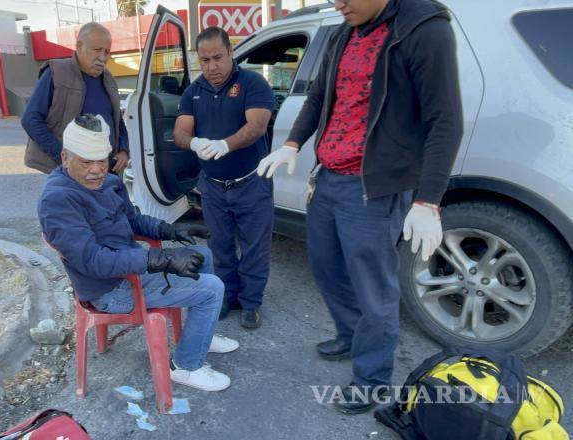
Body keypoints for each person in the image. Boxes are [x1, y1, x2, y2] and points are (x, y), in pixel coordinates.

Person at [257, 0, 463, 414]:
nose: (339, 3)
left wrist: (428, 200)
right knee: (326, 267)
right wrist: (293, 144)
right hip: (328, 177)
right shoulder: (342, 32)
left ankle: (372, 379)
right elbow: (318, 97)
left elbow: (445, 119)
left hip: (374, 188)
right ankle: (352, 334)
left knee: (374, 289)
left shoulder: (422, 28)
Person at [39, 114, 239, 391]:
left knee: (202, 255)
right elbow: (92, 262)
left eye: (102, 161)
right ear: (65, 157)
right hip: (110, 290)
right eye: (87, 162)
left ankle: (201, 334)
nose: (97, 170)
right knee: (212, 288)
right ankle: (185, 367)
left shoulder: (107, 182)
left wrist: (169, 230)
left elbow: (131, 219)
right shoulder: (58, 199)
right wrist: (159, 259)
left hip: (126, 271)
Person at [173, 27, 276, 329]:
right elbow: (181, 130)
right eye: (204, 60)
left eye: (217, 57)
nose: (211, 66)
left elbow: (257, 126)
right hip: (214, 187)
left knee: (255, 246)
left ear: (231, 52)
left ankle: (252, 303)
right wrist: (191, 142)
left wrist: (224, 144)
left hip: (251, 182)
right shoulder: (194, 91)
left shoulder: (252, 83)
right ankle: (228, 296)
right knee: (221, 245)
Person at [22, 22, 129, 175]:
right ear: (79, 46)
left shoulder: (109, 79)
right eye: (97, 50)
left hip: (105, 170)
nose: (103, 57)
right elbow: (30, 119)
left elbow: (117, 120)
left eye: (107, 52)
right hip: (68, 173)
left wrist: (124, 149)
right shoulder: (56, 72)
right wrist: (64, 159)